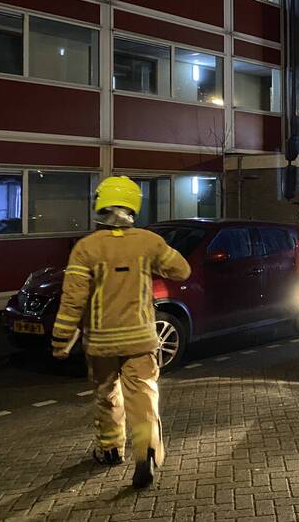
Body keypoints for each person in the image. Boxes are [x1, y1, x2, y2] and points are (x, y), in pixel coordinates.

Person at [51, 177, 191, 489]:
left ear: (99, 204)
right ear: (133, 205)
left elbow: (72, 300)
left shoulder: (85, 248)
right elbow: (182, 270)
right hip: (140, 339)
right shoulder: (147, 242)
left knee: (107, 395)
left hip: (101, 342)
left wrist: (61, 339)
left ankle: (111, 450)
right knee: (143, 396)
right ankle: (146, 453)